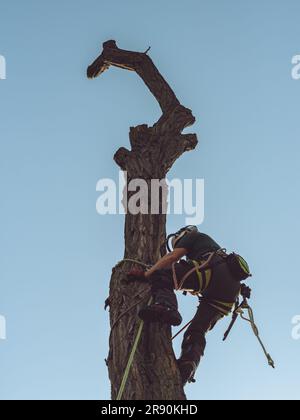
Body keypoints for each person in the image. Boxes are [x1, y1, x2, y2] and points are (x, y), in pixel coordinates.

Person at [127, 226, 251, 386]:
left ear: (182, 235)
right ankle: (189, 364)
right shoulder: (212, 246)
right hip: (230, 294)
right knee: (197, 330)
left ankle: (166, 306)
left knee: (162, 275)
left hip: (212, 271)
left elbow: (172, 257)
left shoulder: (192, 236)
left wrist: (146, 274)